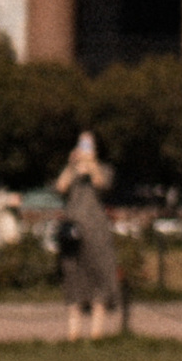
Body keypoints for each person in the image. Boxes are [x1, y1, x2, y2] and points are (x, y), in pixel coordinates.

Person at [55, 132, 123, 344]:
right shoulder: (73, 171)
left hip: (96, 230)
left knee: (99, 275)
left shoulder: (103, 168)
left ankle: (97, 332)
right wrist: (71, 165)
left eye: (88, 145)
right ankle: (73, 333)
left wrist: (92, 165)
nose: (83, 150)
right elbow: (60, 188)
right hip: (72, 230)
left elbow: (103, 185)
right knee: (73, 274)